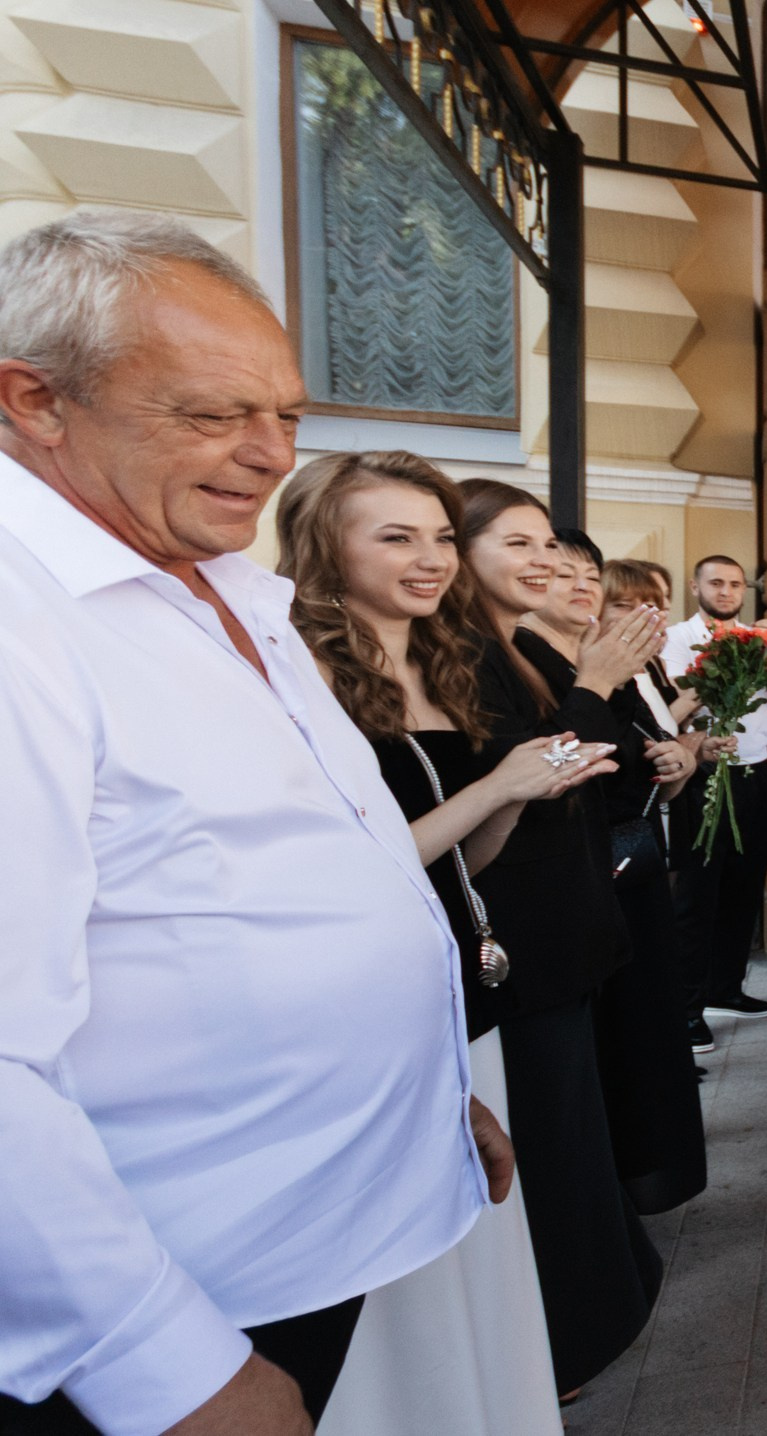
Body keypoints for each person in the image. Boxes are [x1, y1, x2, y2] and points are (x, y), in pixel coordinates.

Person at [0, 212, 499, 1434]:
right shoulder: (23, 619)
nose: (273, 454)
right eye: (214, 413)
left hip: (290, 1236)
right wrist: (159, 1364)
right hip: (159, 1307)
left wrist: (425, 1088)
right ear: (36, 399)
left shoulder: (221, 580)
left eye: (285, 412)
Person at [274, 451, 605, 1436]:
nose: (430, 559)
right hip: (367, 992)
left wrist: (522, 796)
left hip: (459, 974)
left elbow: (461, 853)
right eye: (395, 537)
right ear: (326, 546)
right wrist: (498, 785)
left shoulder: (436, 660)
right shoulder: (302, 671)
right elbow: (353, 861)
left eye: (439, 537)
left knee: (481, 1234)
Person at [455, 480, 670, 1400]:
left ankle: (573, 1330)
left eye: (550, 543)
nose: (546, 561)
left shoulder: (515, 652)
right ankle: (551, 1346)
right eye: (519, 544)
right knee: (544, 1144)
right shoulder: (474, 658)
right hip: (519, 931)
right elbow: (543, 780)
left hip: (565, 920)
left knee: (574, 1134)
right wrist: (596, 685)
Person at [518, 528, 708, 1214]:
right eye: (560, 572)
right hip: (576, 873)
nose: (581, 586)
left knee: (644, 1030)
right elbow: (553, 768)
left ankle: (644, 1179)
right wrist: (597, 682)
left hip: (633, 863)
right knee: (607, 1040)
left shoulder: (606, 659)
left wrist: (678, 760)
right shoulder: (524, 658)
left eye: (590, 575)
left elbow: (640, 751)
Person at [662, 554, 767, 1031]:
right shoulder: (676, 639)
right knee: (697, 895)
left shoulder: (758, 639)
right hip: (702, 774)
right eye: (716, 583)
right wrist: (720, 661)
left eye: (734, 584)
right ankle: (686, 1012)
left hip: (755, 774)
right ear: (696, 587)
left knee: (744, 888)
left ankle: (725, 989)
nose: (726, 591)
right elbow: (670, 707)